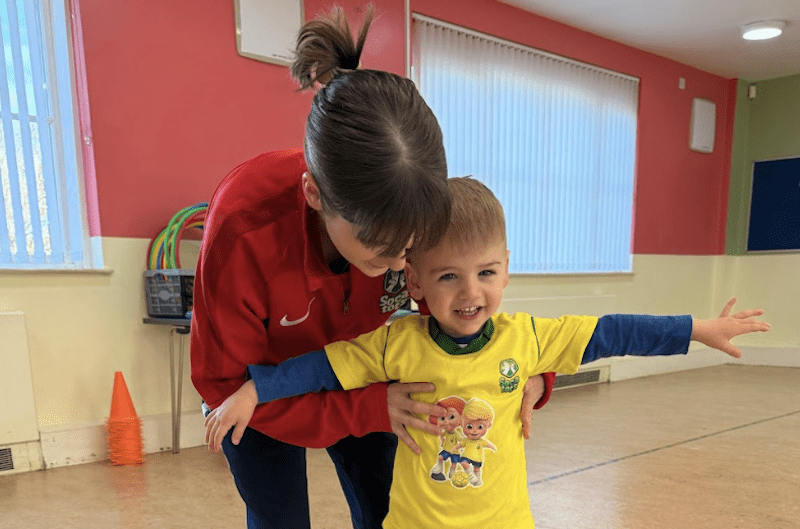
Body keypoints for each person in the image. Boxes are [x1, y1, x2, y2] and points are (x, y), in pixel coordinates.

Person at [203, 177, 771, 529]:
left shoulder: (527, 339)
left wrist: (696, 328)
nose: (470, 292)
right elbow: (323, 366)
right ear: (415, 282)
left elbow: (614, 332)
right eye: (448, 276)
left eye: (486, 273)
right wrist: (259, 387)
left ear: (506, 269)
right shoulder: (397, 343)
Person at [190, 6, 551, 529]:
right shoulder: (244, 226)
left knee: (389, 509)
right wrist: (369, 410)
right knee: (280, 518)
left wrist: (526, 365)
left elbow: (460, 312)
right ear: (314, 193)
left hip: (363, 375)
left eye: (415, 246)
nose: (403, 266)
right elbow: (226, 387)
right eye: (382, 251)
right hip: (256, 390)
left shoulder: (410, 214)